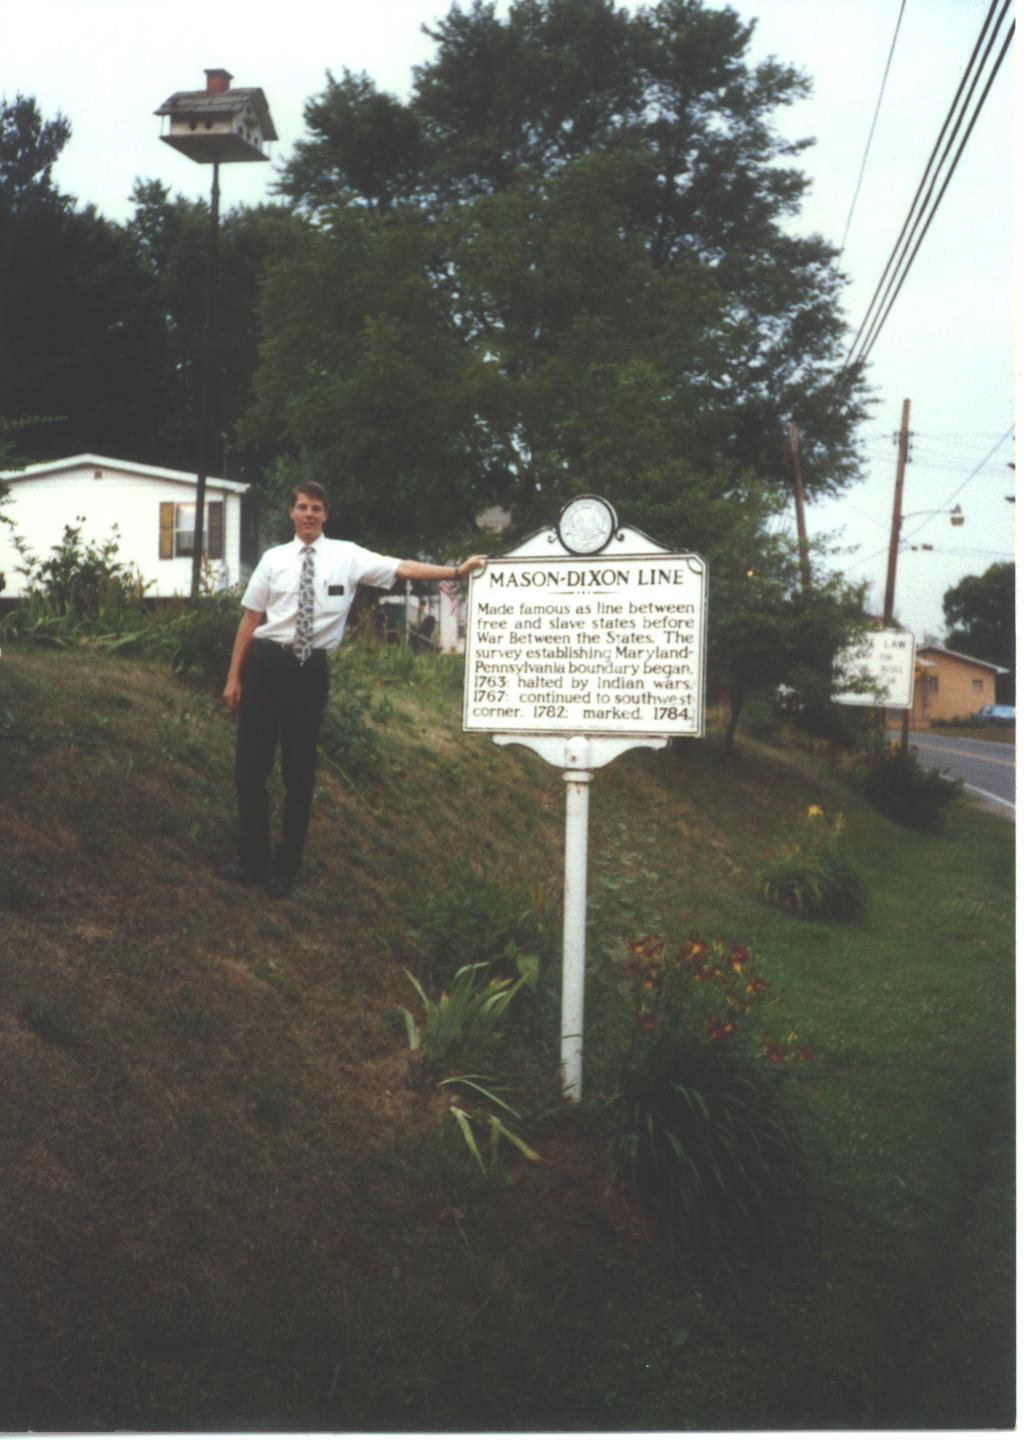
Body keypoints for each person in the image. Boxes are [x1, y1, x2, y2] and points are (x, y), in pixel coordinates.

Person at [218, 482, 486, 898]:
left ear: (326, 515)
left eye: (317, 508)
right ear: (291, 513)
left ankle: (286, 869)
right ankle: (252, 861)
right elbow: (250, 619)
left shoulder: (348, 556)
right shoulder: (272, 559)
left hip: (309, 671)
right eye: (302, 507)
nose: (309, 514)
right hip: (265, 664)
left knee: (298, 773)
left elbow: (402, 567)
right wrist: (234, 676)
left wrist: (455, 572)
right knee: (251, 767)